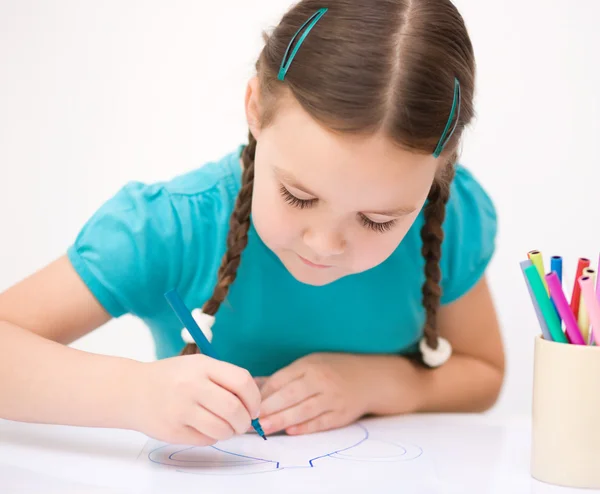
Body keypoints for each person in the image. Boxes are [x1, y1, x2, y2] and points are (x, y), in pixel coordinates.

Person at [0, 0, 504, 447]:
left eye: (378, 221)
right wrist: (135, 394)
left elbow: (484, 371)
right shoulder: (171, 225)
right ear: (255, 110)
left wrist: (375, 382)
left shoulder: (448, 217)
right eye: (298, 195)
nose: (325, 244)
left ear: (439, 175)